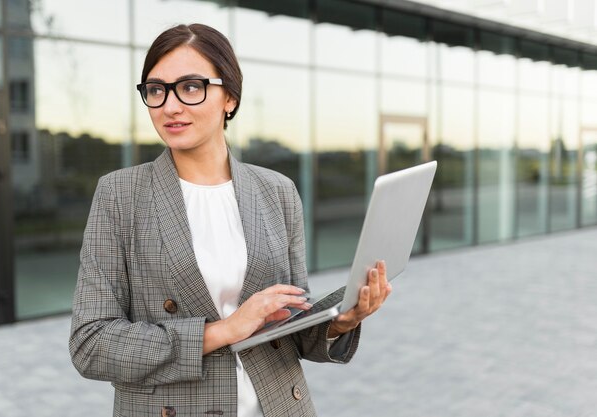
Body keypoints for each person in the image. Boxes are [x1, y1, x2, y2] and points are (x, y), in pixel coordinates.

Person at [69, 23, 391, 417]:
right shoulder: (120, 194)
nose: (170, 106)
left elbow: (290, 326)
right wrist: (223, 330)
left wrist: (341, 320)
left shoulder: (277, 191)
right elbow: (91, 344)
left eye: (190, 87)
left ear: (230, 99)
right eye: (156, 90)